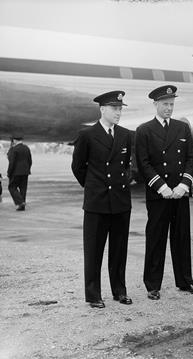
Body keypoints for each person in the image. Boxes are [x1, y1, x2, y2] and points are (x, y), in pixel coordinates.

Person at [135, 85, 193, 300]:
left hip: (179, 193)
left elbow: (191, 159)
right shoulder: (144, 130)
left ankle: (185, 281)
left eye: (172, 104)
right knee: (156, 239)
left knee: (182, 238)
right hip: (158, 194)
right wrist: (161, 186)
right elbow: (143, 163)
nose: (169, 108)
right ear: (155, 104)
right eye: (165, 104)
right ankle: (153, 284)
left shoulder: (182, 129)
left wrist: (184, 184)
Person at [71, 90, 133, 308]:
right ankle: (93, 294)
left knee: (119, 250)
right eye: (114, 109)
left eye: (120, 109)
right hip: (96, 202)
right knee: (94, 251)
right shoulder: (87, 135)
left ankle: (120, 291)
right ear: (102, 109)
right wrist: (93, 187)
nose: (118, 113)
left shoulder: (126, 135)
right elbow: (78, 167)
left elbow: (127, 165)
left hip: (120, 201)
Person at [7, 133, 32, 211]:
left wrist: (9, 172)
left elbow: (12, 162)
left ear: (14, 140)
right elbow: (30, 161)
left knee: (12, 187)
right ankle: (22, 206)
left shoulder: (14, 149)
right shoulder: (27, 148)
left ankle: (20, 202)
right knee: (23, 189)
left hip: (16, 172)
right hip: (25, 172)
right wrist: (27, 169)